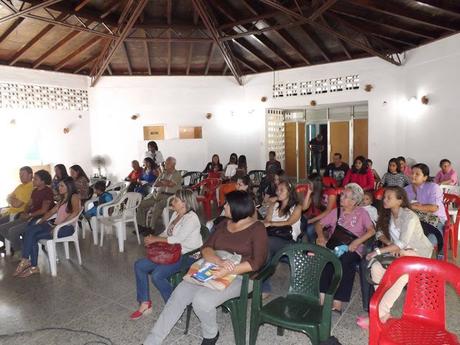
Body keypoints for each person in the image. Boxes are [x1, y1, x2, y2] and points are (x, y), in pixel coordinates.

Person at [143, 191, 268, 345]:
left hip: (241, 275)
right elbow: (206, 247)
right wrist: (218, 261)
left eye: (227, 203)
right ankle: (152, 341)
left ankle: (211, 334)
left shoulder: (257, 228)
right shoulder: (224, 223)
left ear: (238, 206)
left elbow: (257, 262)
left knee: (201, 300)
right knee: (179, 294)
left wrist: (228, 269)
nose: (224, 206)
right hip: (213, 268)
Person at [356, 186, 433, 329]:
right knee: (376, 267)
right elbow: (379, 233)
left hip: (418, 255)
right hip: (400, 253)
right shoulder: (388, 214)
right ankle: (383, 314)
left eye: (388, 198)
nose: (384, 200)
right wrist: (391, 245)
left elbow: (403, 243)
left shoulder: (409, 216)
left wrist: (379, 251)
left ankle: (378, 315)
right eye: (384, 197)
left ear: (400, 200)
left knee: (400, 275)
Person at [131, 189, 203, 320]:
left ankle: (174, 308)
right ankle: (145, 302)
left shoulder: (192, 219)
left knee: (157, 275)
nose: (173, 202)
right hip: (171, 251)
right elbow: (167, 233)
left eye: (176, 200)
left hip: (188, 255)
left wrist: (156, 240)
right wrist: (154, 239)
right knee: (139, 265)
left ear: (184, 203)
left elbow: (177, 239)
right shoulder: (176, 214)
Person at [316, 183, 375, 313]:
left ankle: (338, 302)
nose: (341, 197)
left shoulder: (362, 213)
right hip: (334, 246)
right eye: (342, 194)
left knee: (345, 261)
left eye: (345, 196)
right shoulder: (336, 211)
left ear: (354, 201)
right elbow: (319, 225)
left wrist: (357, 242)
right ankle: (322, 299)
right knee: (328, 259)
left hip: (353, 249)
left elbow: (371, 231)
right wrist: (321, 236)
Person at [13, 177, 81, 277]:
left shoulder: (74, 196)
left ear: (69, 187)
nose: (59, 188)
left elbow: (75, 213)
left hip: (66, 228)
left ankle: (31, 265)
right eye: (59, 186)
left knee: (32, 235)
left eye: (62, 186)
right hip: (55, 225)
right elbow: (51, 212)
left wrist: (58, 226)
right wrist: (40, 221)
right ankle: (27, 261)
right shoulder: (63, 198)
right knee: (30, 230)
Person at [0, 170, 54, 253]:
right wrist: (25, 213)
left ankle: (21, 252)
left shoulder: (47, 191)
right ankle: (23, 248)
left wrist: (29, 215)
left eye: (35, 179)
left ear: (43, 181)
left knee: (12, 231)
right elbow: (29, 205)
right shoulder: (35, 191)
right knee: (2, 228)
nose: (33, 181)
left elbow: (44, 210)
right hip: (30, 216)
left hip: (39, 220)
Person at [404, 163, 446, 253]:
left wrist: (412, 206)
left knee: (427, 243)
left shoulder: (433, 187)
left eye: (417, 174)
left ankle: (421, 254)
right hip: (416, 220)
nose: (413, 175)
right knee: (404, 239)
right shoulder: (406, 189)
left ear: (425, 177)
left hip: (436, 219)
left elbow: (434, 208)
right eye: (412, 173)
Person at [136, 157, 182, 235]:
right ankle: (141, 226)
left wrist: (163, 182)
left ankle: (151, 228)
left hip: (170, 197)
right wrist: (165, 182)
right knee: (141, 204)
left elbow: (171, 184)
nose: (165, 165)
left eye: (167, 163)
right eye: (165, 163)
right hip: (157, 195)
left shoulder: (177, 174)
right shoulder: (163, 173)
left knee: (158, 205)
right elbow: (155, 184)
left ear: (173, 164)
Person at [301, 173, 338, 243]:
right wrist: (309, 193)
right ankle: (305, 243)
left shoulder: (330, 191)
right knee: (301, 224)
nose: (308, 185)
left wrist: (312, 220)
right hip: (315, 216)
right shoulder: (312, 191)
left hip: (328, 218)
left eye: (309, 183)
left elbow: (328, 210)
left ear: (315, 184)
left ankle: (314, 248)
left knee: (310, 230)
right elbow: (304, 208)